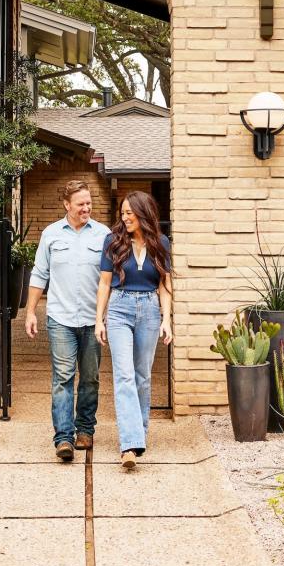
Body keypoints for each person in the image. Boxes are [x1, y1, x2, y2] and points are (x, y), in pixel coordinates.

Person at [26, 180, 110, 462]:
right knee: (62, 378)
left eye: (89, 203)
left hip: (92, 319)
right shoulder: (51, 234)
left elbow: (111, 280)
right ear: (67, 205)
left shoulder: (103, 234)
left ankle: (85, 429)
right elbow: (39, 275)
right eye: (81, 204)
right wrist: (29, 312)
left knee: (90, 378)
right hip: (60, 317)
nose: (86, 208)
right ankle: (63, 438)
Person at [95, 190, 173, 471]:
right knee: (125, 375)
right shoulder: (113, 242)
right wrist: (99, 319)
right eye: (123, 212)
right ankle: (128, 443)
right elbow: (104, 284)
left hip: (150, 309)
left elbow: (165, 284)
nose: (125, 217)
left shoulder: (160, 243)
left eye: (130, 212)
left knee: (142, 377)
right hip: (119, 308)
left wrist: (167, 319)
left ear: (143, 213)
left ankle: (139, 435)